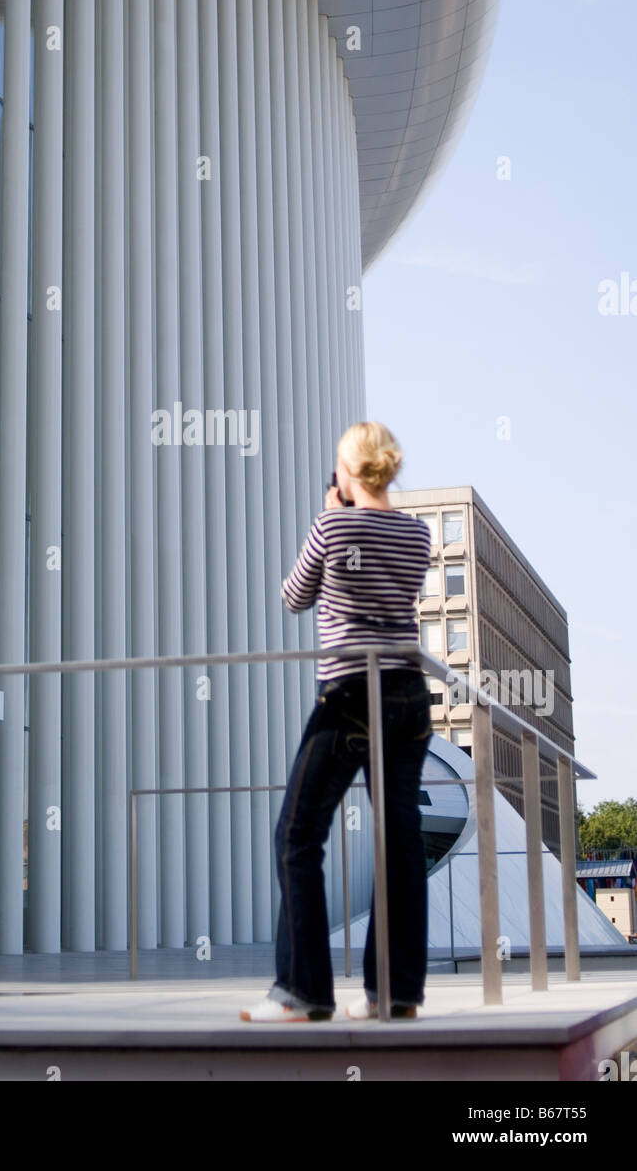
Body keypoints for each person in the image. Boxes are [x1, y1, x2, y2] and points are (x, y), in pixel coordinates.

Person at [240, 421, 433, 1022]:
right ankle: (393, 993)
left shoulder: (333, 524)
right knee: (398, 844)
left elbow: (295, 595)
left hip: (349, 692)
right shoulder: (418, 533)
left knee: (296, 836)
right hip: (408, 692)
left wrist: (331, 515)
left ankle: (303, 992)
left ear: (347, 472)